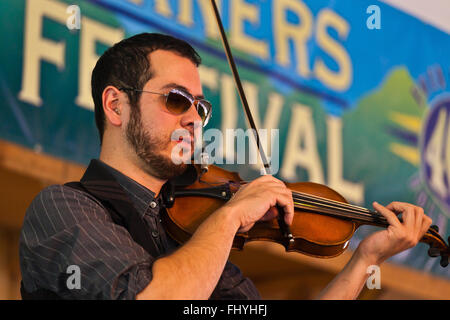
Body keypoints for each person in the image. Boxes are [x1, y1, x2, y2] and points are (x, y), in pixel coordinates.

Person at [19, 33, 432, 300]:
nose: (193, 119)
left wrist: (364, 261)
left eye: (200, 107)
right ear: (116, 105)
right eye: (176, 99)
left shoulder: (191, 236)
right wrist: (232, 214)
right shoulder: (64, 208)